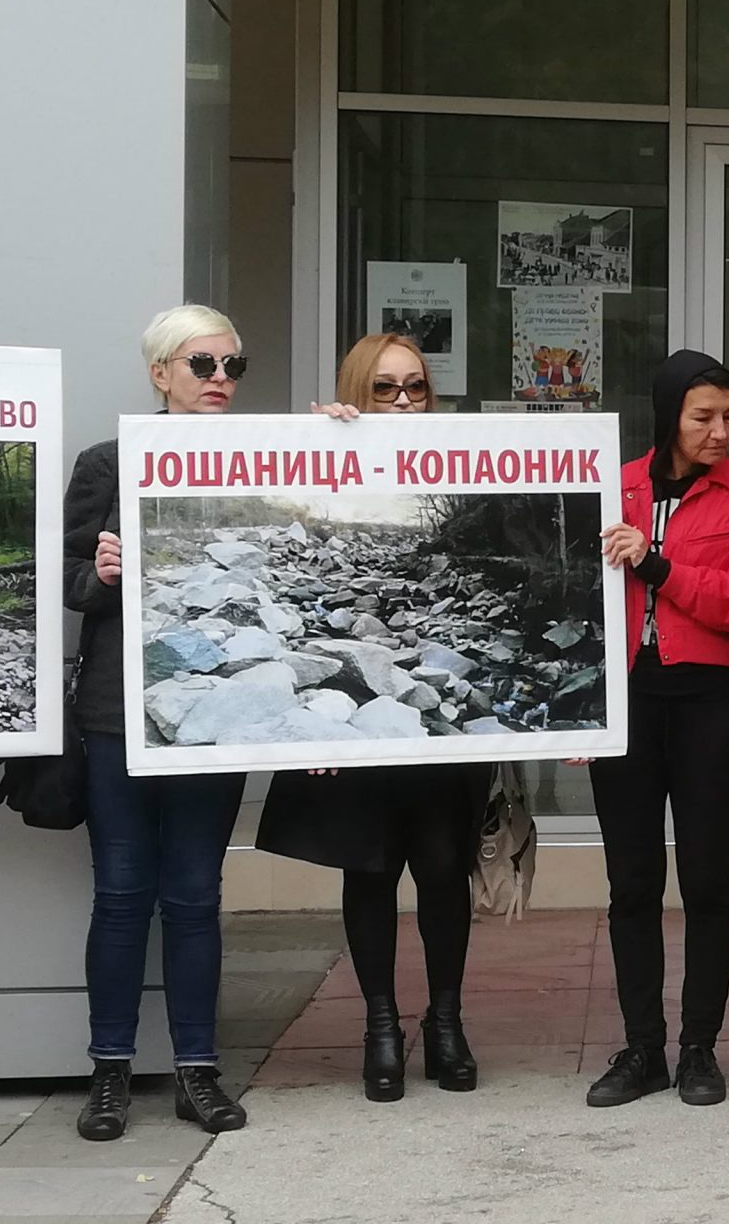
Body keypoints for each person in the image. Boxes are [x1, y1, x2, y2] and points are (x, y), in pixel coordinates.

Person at [253, 334, 487, 1103]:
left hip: (435, 706)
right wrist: (319, 437)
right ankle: (381, 1025)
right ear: (358, 387)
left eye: (415, 387)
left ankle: (445, 1022)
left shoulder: (456, 459)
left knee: (445, 868)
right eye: (384, 388)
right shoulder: (325, 449)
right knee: (371, 867)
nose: (402, 402)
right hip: (363, 703)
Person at [67, 305, 255, 1142]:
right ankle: (109, 1073)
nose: (220, 380)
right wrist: (100, 574)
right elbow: (65, 579)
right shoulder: (108, 462)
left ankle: (196, 1072)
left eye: (232, 367)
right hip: (120, 713)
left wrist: (348, 436)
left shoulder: (259, 458)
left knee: (193, 898)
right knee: (120, 896)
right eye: (203, 365)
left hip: (217, 708)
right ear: (160, 374)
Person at [587, 351, 729, 1108]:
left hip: (710, 703)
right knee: (631, 884)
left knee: (707, 882)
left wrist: (659, 565)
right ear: (669, 412)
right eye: (703, 416)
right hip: (628, 703)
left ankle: (698, 1047)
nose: (718, 431)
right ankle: (642, 1047)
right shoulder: (618, 483)